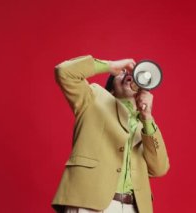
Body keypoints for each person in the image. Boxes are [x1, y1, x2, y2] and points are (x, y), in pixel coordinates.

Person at [51, 55, 170, 213]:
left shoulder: (146, 125)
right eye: (122, 74)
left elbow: (160, 168)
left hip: (134, 207)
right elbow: (64, 72)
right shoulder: (94, 98)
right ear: (111, 88)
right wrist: (109, 66)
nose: (130, 75)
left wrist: (147, 117)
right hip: (89, 202)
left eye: (134, 77)